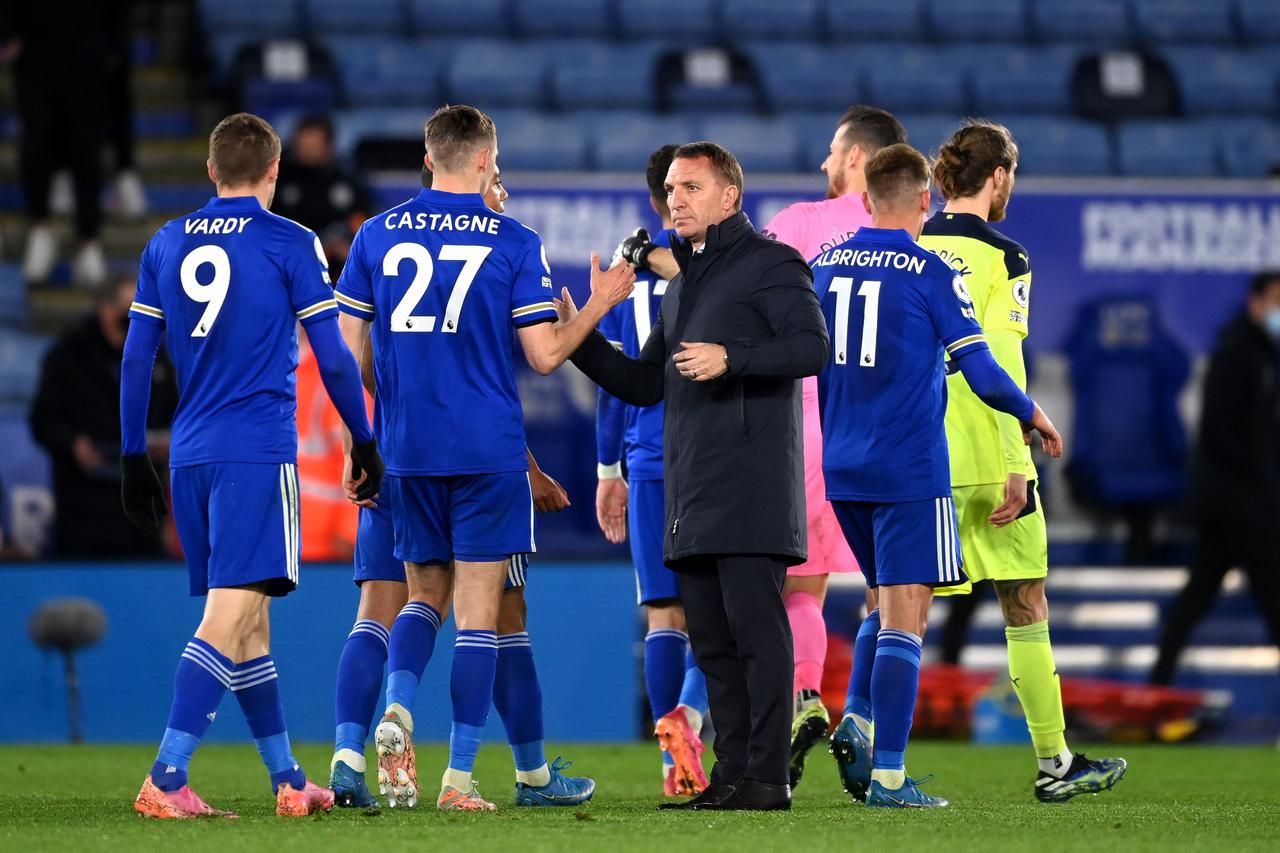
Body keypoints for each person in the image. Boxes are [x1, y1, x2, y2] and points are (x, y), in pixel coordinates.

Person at [334, 104, 634, 812]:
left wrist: (359, 444)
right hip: (487, 453)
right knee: (480, 615)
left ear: (429, 155)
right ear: (480, 159)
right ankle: (460, 780)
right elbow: (544, 352)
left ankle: (396, 708)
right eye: (493, 160)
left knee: (415, 597)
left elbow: (346, 357)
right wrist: (596, 304)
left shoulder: (376, 236)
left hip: (405, 452)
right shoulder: (512, 240)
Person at [120, 112, 384, 819]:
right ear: (274, 173)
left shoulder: (166, 241)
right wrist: (364, 437)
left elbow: (137, 357)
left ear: (211, 171)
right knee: (227, 618)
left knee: (249, 623)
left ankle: (289, 778)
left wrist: (128, 454)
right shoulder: (291, 240)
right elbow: (330, 354)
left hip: (190, 454)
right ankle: (168, 776)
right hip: (256, 452)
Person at [568, 141, 828, 812]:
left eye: (690, 188)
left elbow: (812, 346)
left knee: (756, 633)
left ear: (729, 197)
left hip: (751, 484)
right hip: (692, 486)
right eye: (672, 190)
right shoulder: (685, 283)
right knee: (712, 642)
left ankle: (769, 777)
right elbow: (643, 381)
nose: (674, 200)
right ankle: (732, 773)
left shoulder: (774, 262)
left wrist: (733, 357)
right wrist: (582, 334)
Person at [814, 143, 1063, 809]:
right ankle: (890, 776)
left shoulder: (823, 266)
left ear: (866, 198)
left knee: (884, 601)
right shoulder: (929, 272)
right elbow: (981, 370)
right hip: (909, 469)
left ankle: (860, 720)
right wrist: (1031, 412)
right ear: (923, 200)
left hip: (841, 468)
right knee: (904, 619)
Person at [918, 121, 1127, 802]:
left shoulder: (910, 246)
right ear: (1000, 175)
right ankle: (1054, 761)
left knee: (893, 609)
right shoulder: (1006, 257)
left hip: (919, 454)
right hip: (987, 451)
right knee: (1025, 600)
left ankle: (873, 755)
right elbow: (1002, 357)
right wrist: (1017, 458)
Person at [761, 105, 906, 787]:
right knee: (893, 595)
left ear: (855, 158)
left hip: (807, 426)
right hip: (891, 432)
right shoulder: (910, 233)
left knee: (800, 587)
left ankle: (805, 696)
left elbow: (743, 299)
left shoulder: (797, 224)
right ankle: (868, 726)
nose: (823, 163)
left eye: (831, 151)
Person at [600, 145, 710, 798]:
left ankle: (674, 766)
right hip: (711, 457)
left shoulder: (624, 273)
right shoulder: (720, 265)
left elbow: (613, 381)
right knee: (720, 609)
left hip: (645, 460)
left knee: (663, 615)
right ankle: (688, 723)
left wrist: (605, 468)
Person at [1151, 272, 1280, 685]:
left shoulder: (1262, 354)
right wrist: (1264, 490)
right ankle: (1157, 684)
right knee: (1270, 599)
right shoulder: (1238, 354)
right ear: (1255, 302)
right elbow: (1224, 434)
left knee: (1197, 597)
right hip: (1240, 506)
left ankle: (1158, 683)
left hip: (1237, 506)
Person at [30, 275, 178, 558]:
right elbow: (43, 421)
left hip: (141, 506)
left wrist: (170, 441)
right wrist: (74, 443)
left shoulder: (157, 356)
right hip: (85, 506)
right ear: (105, 308)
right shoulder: (70, 356)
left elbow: (175, 414)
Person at [3, 0, 113, 284]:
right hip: (34, 50)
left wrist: (111, 40)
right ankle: (41, 228)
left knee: (86, 150)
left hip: (88, 51)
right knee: (36, 144)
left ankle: (88, 241)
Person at [272, 114, 372, 277]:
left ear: (328, 147)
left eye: (313, 146)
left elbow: (361, 223)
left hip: (335, 262)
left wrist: (352, 250)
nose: (307, 151)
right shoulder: (279, 178)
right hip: (288, 255)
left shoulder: (347, 178)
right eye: (303, 145)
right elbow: (269, 223)